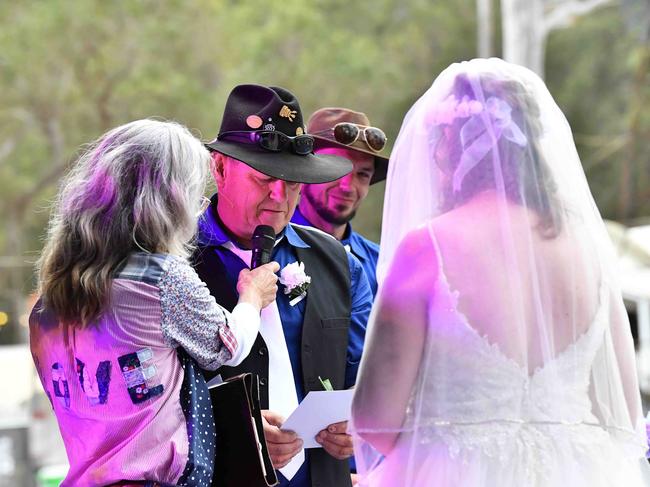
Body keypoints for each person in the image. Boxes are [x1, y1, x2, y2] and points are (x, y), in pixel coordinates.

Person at [350, 58, 650, 486]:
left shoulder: (427, 247)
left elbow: (375, 418)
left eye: (438, 144)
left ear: (454, 147)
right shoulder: (588, 249)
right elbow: (622, 409)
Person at [29, 119, 280, 487]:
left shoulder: (46, 307)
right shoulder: (161, 279)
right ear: (170, 200)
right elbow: (229, 346)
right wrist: (252, 296)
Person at [192, 84, 373, 487]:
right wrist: (238, 432)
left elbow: (364, 376)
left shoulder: (339, 263)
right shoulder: (174, 263)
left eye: (293, 182)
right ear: (219, 168)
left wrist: (358, 422)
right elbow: (154, 401)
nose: (280, 196)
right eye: (264, 179)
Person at [291, 108, 389, 297]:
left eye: (362, 174)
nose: (348, 186)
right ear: (303, 172)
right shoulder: (267, 250)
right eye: (337, 168)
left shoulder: (380, 264)